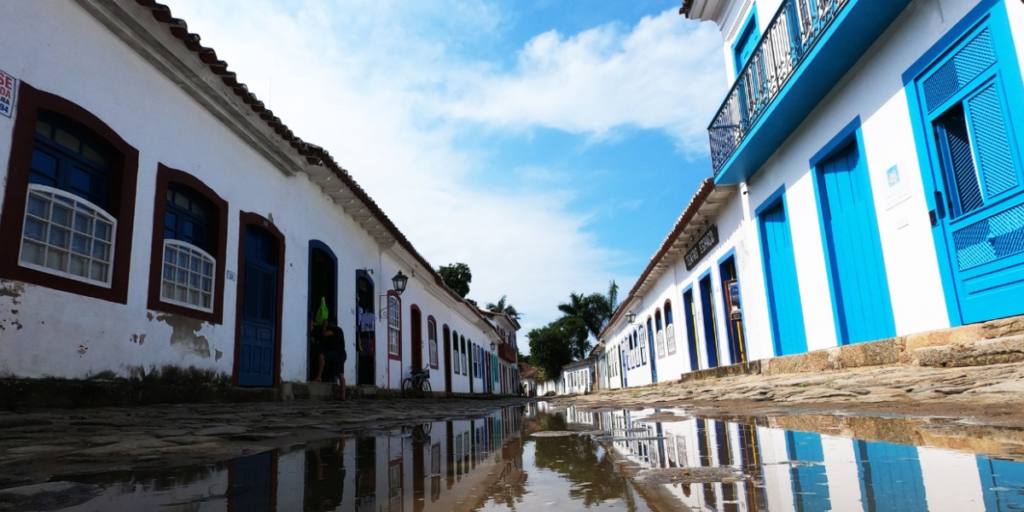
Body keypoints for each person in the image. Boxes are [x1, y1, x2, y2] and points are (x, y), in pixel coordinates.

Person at [316, 316, 347, 400]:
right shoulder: (339, 331)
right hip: (341, 354)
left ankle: (319, 377)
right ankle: (343, 395)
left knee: (322, 355)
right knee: (340, 375)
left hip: (337, 353)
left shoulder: (336, 329)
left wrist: (324, 325)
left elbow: (325, 334)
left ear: (331, 323)